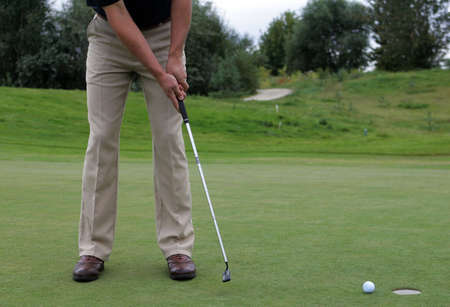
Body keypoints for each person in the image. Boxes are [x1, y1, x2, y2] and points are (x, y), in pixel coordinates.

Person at [72, 0, 196, 282]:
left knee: (168, 137)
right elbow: (117, 13)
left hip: (165, 37)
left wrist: (175, 55)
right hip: (109, 38)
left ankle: (178, 246)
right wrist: (158, 73)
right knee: (102, 136)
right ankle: (93, 248)